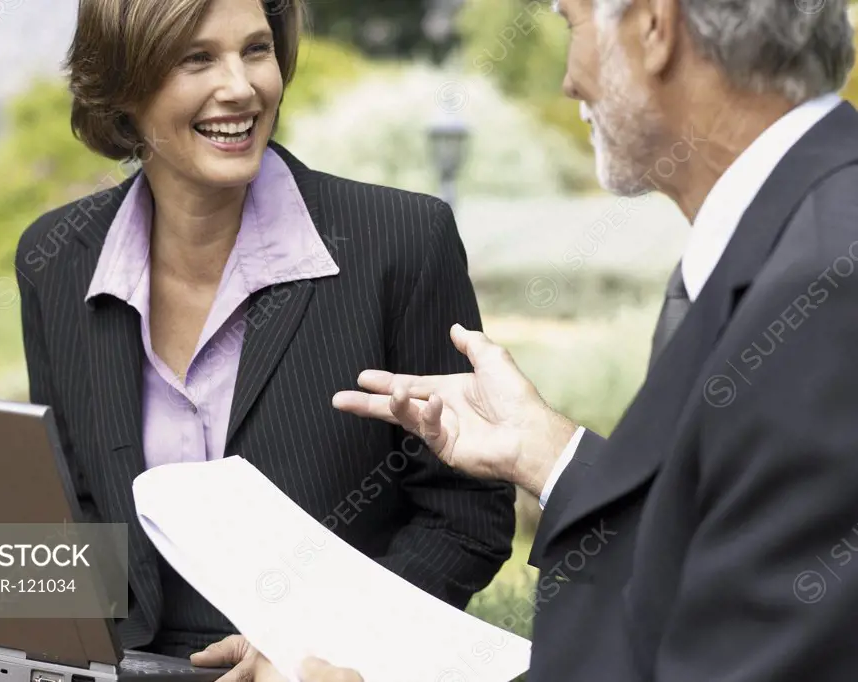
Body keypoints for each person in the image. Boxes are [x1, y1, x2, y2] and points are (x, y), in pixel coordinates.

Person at [331, 0, 858, 680]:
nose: (568, 81)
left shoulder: (821, 285)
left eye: (570, 23)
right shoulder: (790, 238)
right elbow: (717, 555)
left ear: (653, 26)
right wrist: (549, 454)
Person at [13, 0, 516, 678]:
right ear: (123, 86)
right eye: (197, 58)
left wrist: (332, 641)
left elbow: (465, 515)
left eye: (256, 50)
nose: (242, 86)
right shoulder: (56, 257)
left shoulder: (400, 242)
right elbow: (72, 517)